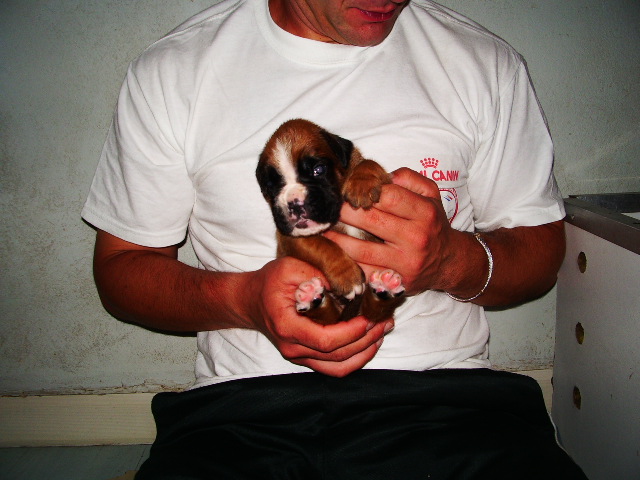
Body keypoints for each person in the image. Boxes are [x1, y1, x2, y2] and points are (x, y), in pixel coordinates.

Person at [83, 1, 586, 478]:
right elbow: (122, 269)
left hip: (446, 401)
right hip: (246, 410)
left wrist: (451, 261)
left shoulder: (482, 62)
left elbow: (541, 252)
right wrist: (244, 300)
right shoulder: (174, 70)